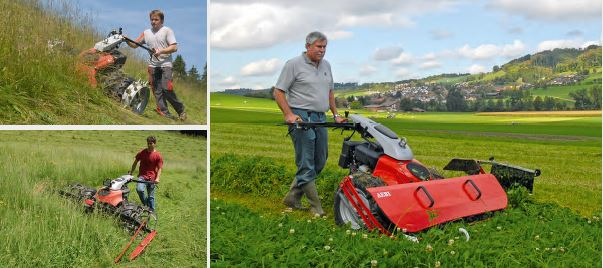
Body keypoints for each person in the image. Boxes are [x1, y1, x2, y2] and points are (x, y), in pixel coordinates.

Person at [273, 31, 346, 217]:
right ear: (307, 46)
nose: (322, 51)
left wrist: (336, 115)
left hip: (320, 118)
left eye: (324, 47)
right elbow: (278, 91)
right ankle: (316, 207)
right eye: (318, 47)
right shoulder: (293, 65)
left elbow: (330, 92)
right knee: (306, 163)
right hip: (301, 119)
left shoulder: (326, 65)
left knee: (320, 161)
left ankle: (292, 198)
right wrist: (288, 114)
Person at [125, 9, 186, 120]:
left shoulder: (167, 31)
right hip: (153, 65)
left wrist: (161, 51)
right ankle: (164, 113)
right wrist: (126, 39)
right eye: (152, 19)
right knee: (156, 89)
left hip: (166, 64)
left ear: (161, 20)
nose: (153, 21)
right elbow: (134, 45)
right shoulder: (146, 33)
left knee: (166, 88)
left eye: (156, 19)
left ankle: (181, 111)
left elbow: (174, 47)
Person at [129, 136, 163, 212]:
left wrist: (157, 178)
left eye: (151, 143)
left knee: (151, 197)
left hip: (152, 178)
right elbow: (135, 162)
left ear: (155, 144)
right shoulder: (142, 152)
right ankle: (146, 205)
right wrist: (131, 172)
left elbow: (160, 168)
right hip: (142, 176)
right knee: (139, 189)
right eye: (148, 143)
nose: (149, 145)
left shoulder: (158, 155)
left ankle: (152, 212)